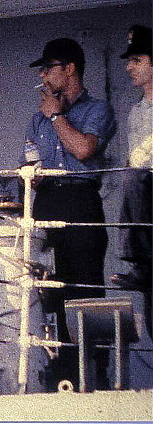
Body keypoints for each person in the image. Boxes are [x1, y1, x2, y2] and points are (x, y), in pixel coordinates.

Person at [23, 37, 117, 389]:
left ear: (70, 68)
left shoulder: (97, 110)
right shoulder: (36, 120)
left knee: (85, 286)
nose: (44, 76)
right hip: (48, 200)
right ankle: (64, 375)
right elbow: (29, 167)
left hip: (81, 199)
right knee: (53, 290)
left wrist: (58, 116)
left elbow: (83, 149)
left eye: (49, 68)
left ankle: (96, 375)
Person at [110, 25, 152, 337]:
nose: (129, 67)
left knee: (133, 179)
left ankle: (142, 266)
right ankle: (142, 268)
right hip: (145, 200)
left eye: (137, 60)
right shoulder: (137, 111)